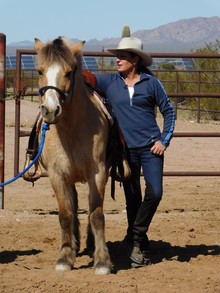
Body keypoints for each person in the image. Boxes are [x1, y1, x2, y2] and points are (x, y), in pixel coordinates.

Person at [94, 27, 176, 267]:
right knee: (132, 199)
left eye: (123, 56)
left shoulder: (152, 83)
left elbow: (169, 111)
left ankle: (135, 236)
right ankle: (138, 243)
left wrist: (164, 140)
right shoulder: (110, 82)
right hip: (125, 152)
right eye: (116, 55)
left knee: (155, 193)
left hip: (151, 148)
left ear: (135, 59)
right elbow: (83, 78)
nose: (117, 59)